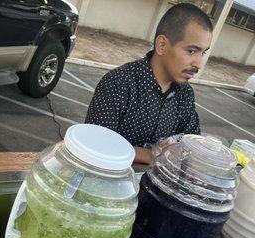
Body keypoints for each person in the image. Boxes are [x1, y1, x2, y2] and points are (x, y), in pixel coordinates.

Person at [85, 3, 213, 164]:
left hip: (158, 184)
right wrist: (152, 155)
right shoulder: (119, 84)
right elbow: (95, 144)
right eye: (191, 51)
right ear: (162, 45)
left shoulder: (185, 94)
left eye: (203, 52)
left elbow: (192, 142)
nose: (199, 63)